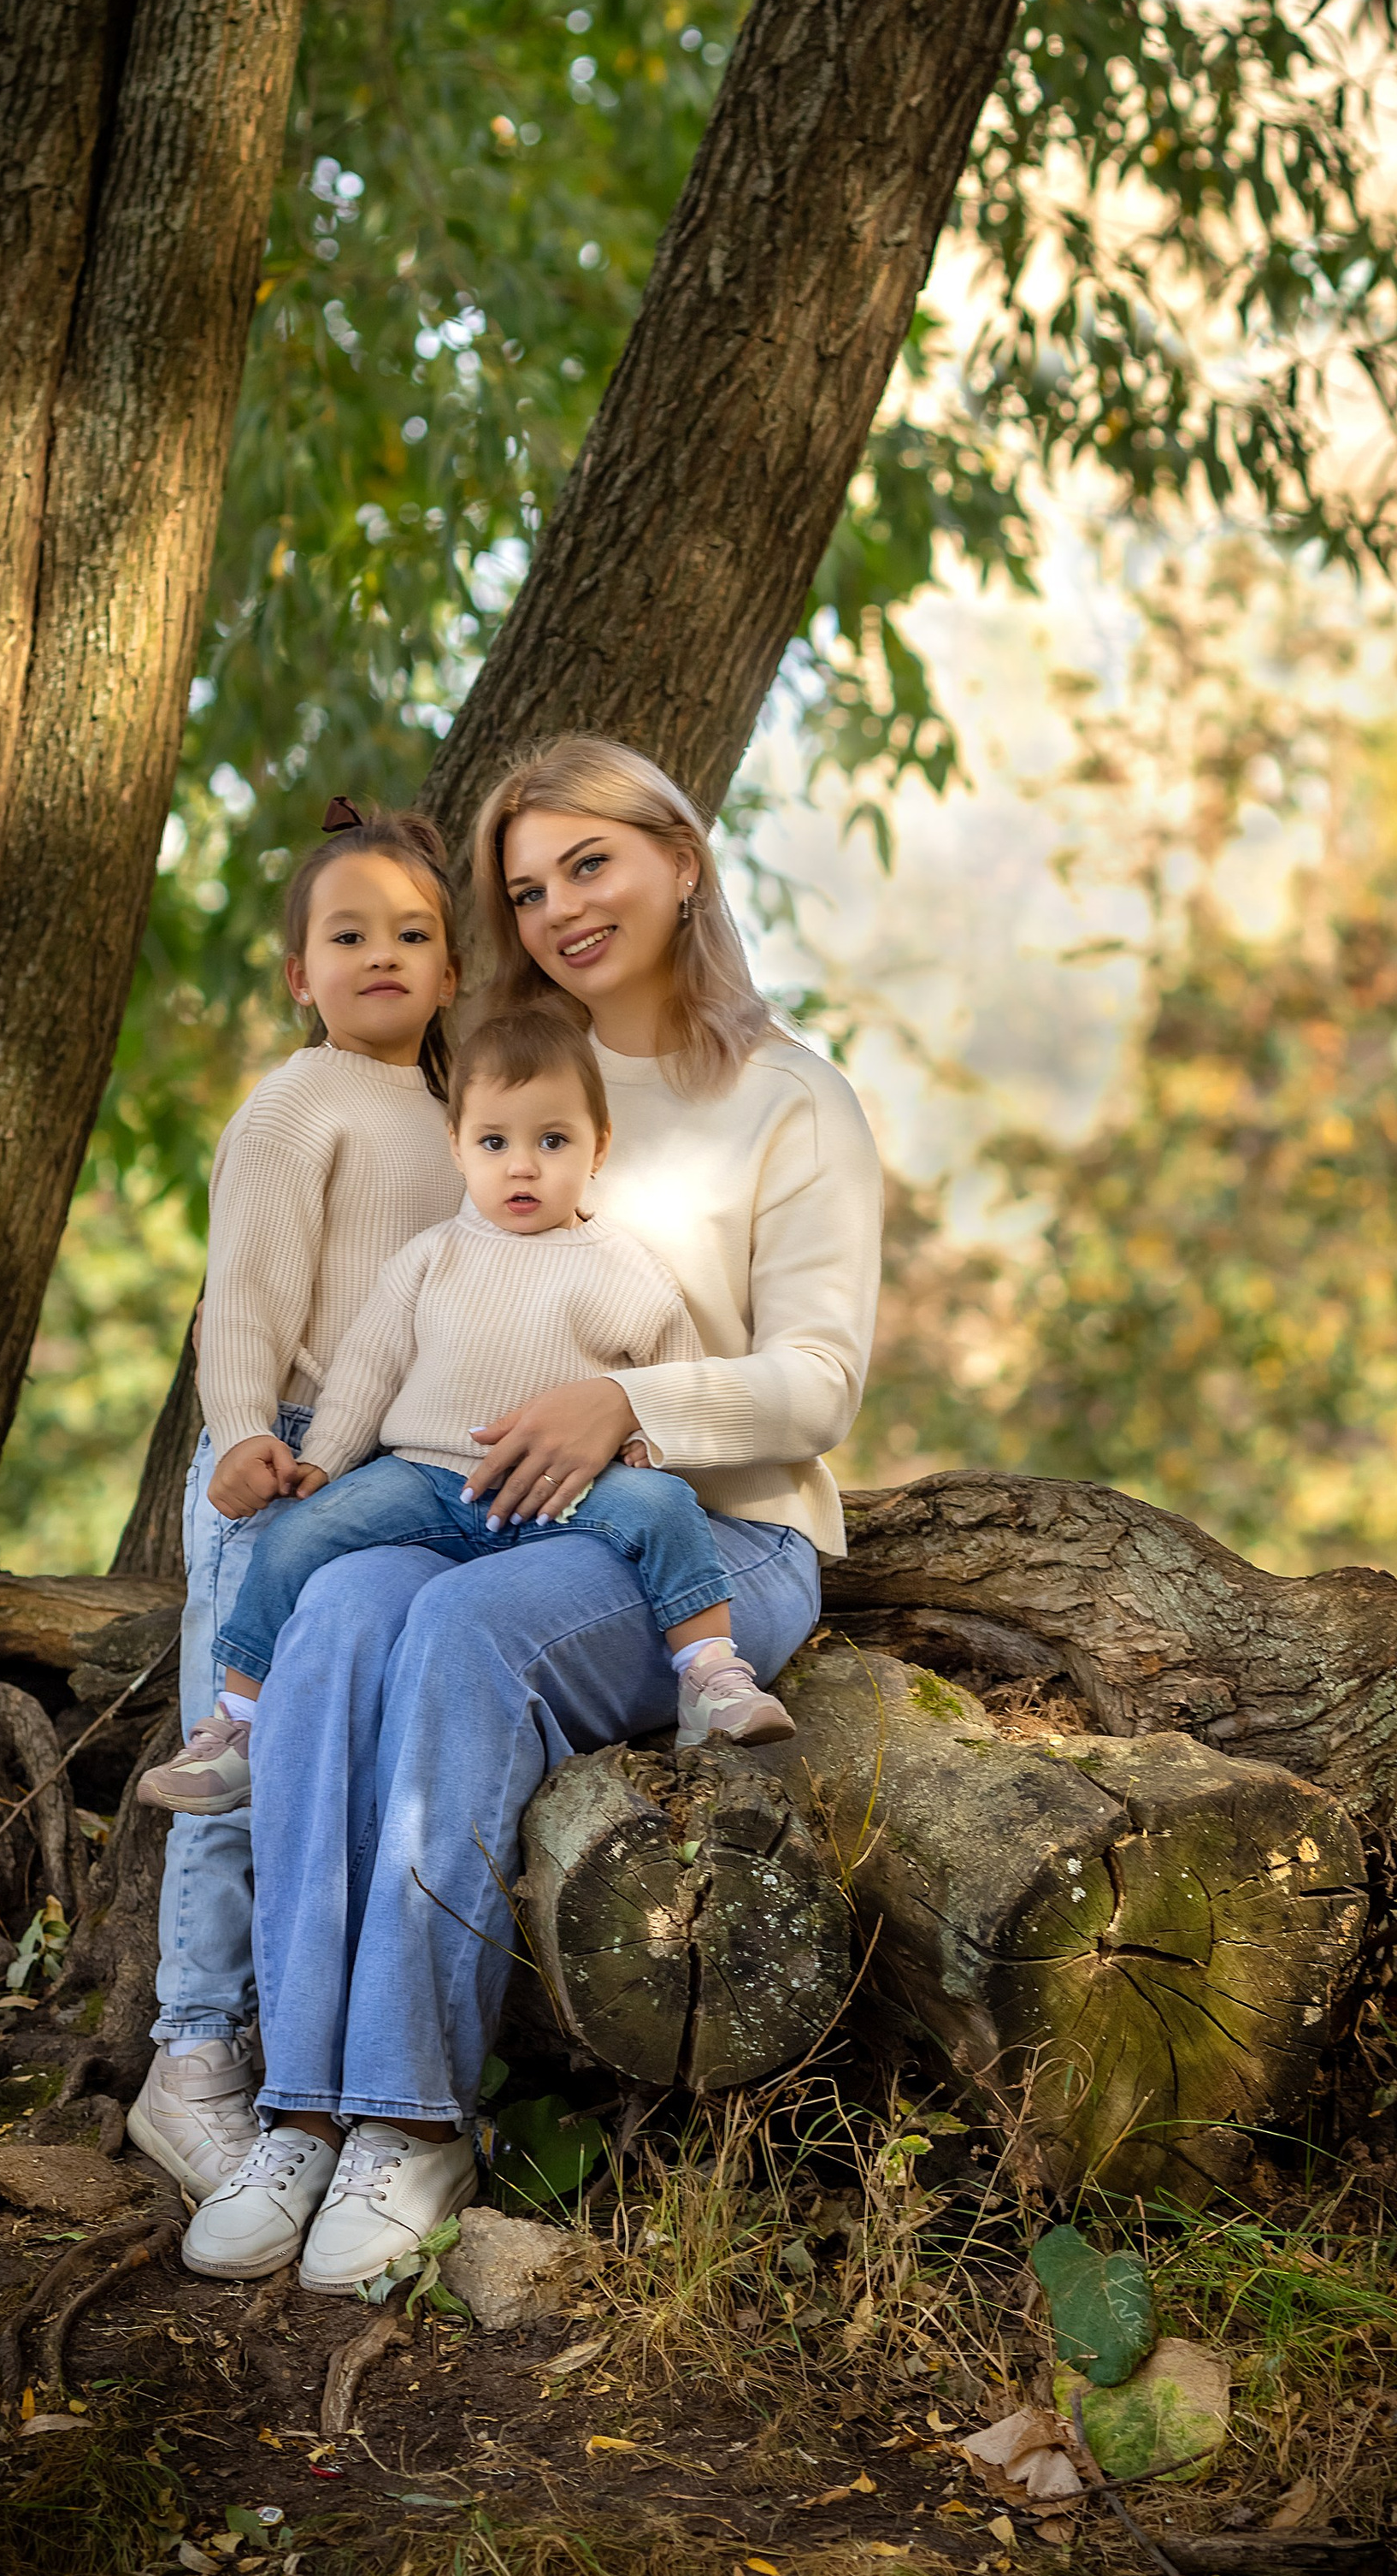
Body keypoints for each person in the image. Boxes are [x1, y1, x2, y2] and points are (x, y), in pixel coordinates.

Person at [180, 736, 882, 2289]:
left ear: (681, 861)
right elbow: (413, 1313)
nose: (562, 906)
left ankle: (408, 2119)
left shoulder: (790, 1100)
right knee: (340, 1613)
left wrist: (630, 1407)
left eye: (593, 864)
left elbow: (824, 1380)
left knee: (457, 1633)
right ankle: (297, 2098)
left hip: (708, 1542)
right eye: (527, 885)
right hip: (465, 1509)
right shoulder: (492, 1071)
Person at [136, 1004, 792, 1817]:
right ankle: (236, 1728)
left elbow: (669, 1373)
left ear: (600, 1146)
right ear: (458, 1147)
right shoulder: (430, 1258)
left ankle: (712, 1677)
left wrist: (645, 1443)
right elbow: (368, 1372)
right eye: (494, 1143)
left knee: (667, 1507)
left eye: (552, 1142)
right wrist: (326, 1463)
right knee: (296, 1537)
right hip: (424, 1478)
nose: (523, 1167)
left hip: (559, 1491)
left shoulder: (626, 1269)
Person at [122, 800, 463, 2207]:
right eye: (349, 935)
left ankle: (302, 2072)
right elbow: (248, 1290)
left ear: (451, 970)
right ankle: (186, 2060)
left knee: (339, 1762)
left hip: (394, 1472)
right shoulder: (299, 1101)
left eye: (413, 934)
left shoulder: (458, 1114)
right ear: (297, 975)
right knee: (233, 1764)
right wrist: (242, 1432)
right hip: (288, 1461)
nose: (382, 956)